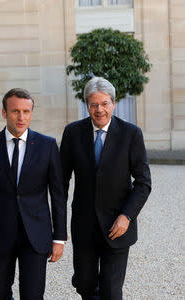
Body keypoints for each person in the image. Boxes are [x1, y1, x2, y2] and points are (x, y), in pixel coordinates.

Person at [0, 88, 67, 300]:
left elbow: (58, 194)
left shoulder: (47, 146)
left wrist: (59, 238)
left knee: (32, 295)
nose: (21, 117)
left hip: (36, 235)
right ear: (4, 113)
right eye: (15, 111)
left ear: (31, 113)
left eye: (26, 111)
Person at [60, 77, 152, 300]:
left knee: (111, 292)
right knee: (84, 285)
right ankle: (86, 282)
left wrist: (127, 216)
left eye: (104, 103)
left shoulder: (131, 134)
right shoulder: (73, 133)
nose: (99, 110)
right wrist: (58, 226)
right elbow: (60, 182)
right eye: (93, 104)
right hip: (84, 226)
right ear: (87, 105)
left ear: (114, 102)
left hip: (117, 226)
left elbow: (143, 182)